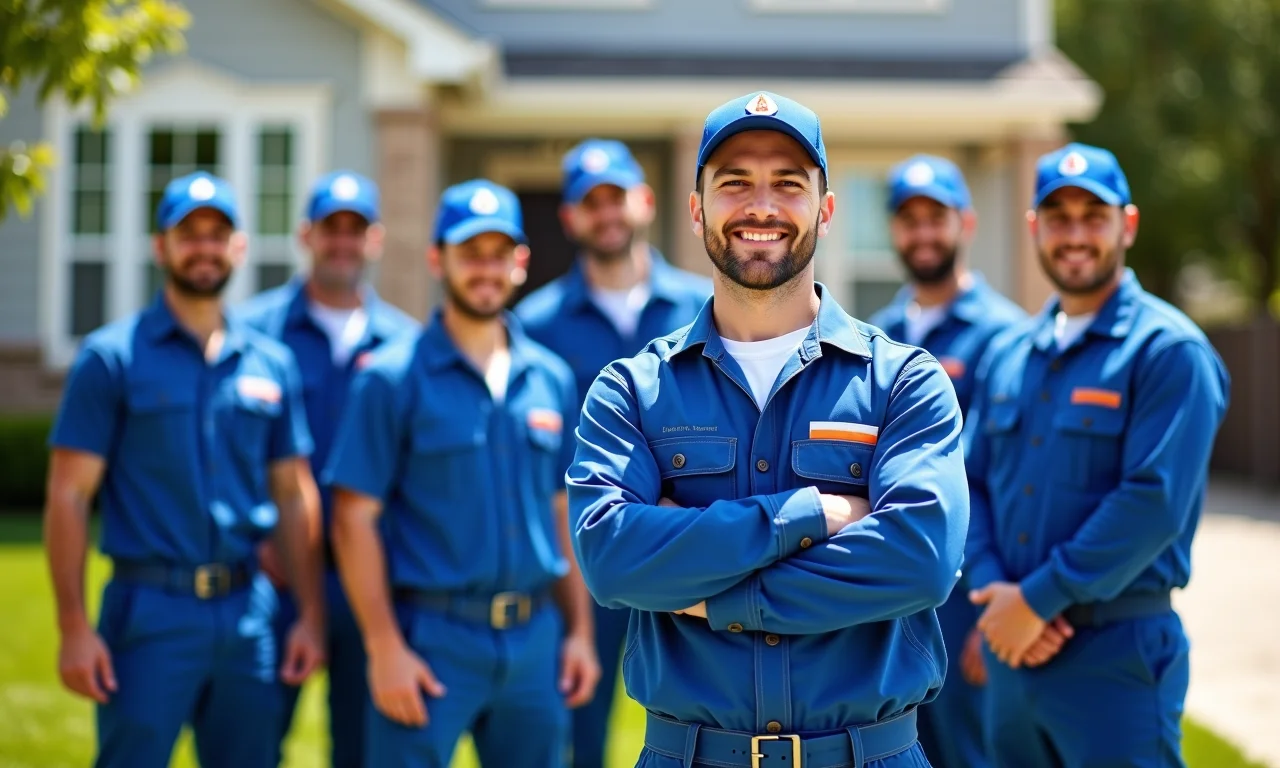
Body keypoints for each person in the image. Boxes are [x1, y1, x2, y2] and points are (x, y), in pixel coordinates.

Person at [567, 91, 969, 768]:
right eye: (734, 183)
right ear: (697, 210)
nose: (761, 206)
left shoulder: (903, 381)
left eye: (788, 183)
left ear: (827, 209)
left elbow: (920, 560)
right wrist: (812, 513)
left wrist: (706, 589)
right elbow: (611, 559)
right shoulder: (633, 389)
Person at [44, 171, 325, 768]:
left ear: (239, 247)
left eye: (217, 234)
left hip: (250, 612)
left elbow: (294, 494)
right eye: (188, 234)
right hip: (150, 612)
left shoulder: (272, 364)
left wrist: (309, 615)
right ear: (161, 247)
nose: (204, 247)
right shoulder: (111, 359)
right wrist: (73, 625)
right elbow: (69, 495)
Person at [963, 142, 1230, 768]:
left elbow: (1153, 502)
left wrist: (1037, 599)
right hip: (1012, 655)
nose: (1075, 234)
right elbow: (969, 482)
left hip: (1117, 657)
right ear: (1035, 228)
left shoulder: (1169, 352)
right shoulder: (1011, 353)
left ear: (1127, 225)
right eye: (1058, 217)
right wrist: (994, 589)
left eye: (1094, 215)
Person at [325, 179, 601, 768]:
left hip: (534, 641)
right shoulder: (390, 378)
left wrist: (578, 631)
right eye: (469, 253)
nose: (485, 269)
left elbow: (563, 511)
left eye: (499, 253)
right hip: (430, 641)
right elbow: (354, 520)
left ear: (520, 262)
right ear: (437, 260)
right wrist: (383, 647)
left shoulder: (549, 377)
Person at [514, 138, 711, 768]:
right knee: (578, 736)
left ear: (646, 203)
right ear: (569, 218)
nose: (606, 214)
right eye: (589, 203)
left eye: (616, 198)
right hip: (584, 558)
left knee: (705, 726)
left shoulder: (703, 309)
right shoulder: (535, 325)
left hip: (688, 549)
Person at [236, 170, 417, 767]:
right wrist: (260, 540)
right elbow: (228, 451)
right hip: (276, 577)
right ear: (305, 235)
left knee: (366, 748)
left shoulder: (407, 345)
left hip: (373, 581)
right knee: (253, 742)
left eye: (356, 229)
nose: (343, 241)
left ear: (376, 239)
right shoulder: (253, 335)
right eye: (330, 228)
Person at [867, 154, 1026, 768]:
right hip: (889, 596)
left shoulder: (1006, 337)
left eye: (937, 217)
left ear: (967, 222)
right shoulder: (877, 339)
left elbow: (1008, 485)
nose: (923, 233)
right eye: (909, 219)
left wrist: (994, 608)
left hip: (968, 603)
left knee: (969, 754)